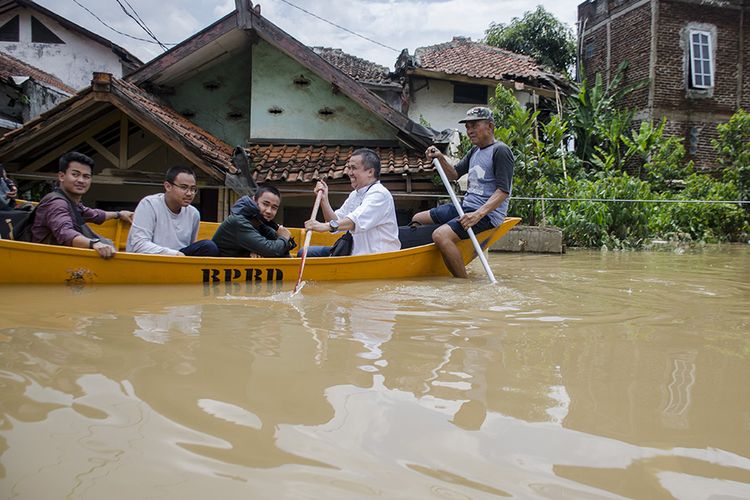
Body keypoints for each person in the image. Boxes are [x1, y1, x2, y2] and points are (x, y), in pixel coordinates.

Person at [411, 106, 514, 278]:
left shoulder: (500, 151)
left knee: (441, 235)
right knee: (418, 219)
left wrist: (477, 215)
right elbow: (454, 174)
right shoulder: (474, 151)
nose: (470, 131)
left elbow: (503, 191)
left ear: (490, 126)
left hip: (486, 215)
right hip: (465, 207)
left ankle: (463, 284)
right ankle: (425, 259)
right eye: (467, 127)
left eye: (474, 125)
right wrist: (440, 157)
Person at [30, 152, 134, 259]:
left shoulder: (72, 203)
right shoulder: (56, 203)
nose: (81, 180)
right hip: (47, 261)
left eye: (86, 176)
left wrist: (119, 214)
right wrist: (94, 243)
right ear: (61, 176)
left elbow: (94, 215)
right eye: (75, 174)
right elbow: (65, 232)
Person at [303, 148, 400, 256]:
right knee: (305, 252)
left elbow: (354, 221)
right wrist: (324, 200)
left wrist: (323, 226)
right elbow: (335, 221)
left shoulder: (380, 194)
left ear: (370, 172)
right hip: (353, 253)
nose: (349, 173)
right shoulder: (355, 194)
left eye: (353, 168)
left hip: (375, 258)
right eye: (349, 168)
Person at [126, 165, 219, 256]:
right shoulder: (149, 204)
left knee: (209, 247)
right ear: (168, 186)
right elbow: (138, 245)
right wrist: (174, 254)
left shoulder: (193, 213)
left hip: (180, 260)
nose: (189, 193)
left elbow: (190, 246)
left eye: (193, 189)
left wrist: (179, 256)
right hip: (151, 261)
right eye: (184, 187)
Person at [212, 185, 297, 258]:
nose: (269, 211)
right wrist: (284, 238)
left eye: (274, 207)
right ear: (254, 201)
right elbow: (271, 250)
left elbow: (282, 249)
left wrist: (260, 250)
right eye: (265, 204)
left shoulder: (260, 222)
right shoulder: (239, 221)